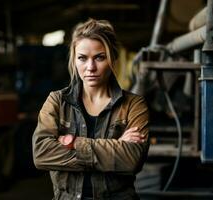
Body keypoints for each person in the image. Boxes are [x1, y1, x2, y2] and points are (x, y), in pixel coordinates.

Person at [32, 18, 149, 200]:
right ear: (74, 59)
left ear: (113, 59)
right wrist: (116, 147)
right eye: (82, 58)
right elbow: (41, 153)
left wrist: (71, 142)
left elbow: (132, 159)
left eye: (99, 57)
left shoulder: (133, 105)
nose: (90, 67)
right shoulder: (57, 101)